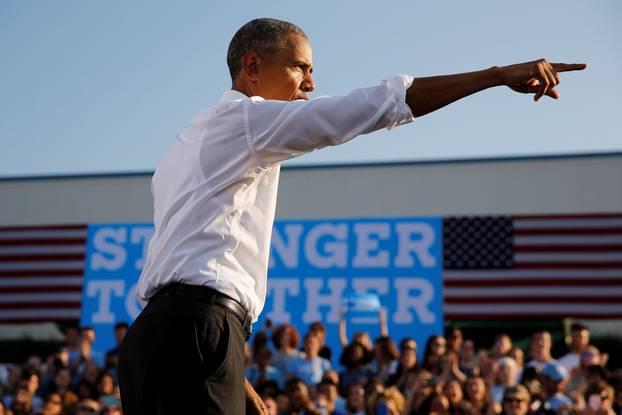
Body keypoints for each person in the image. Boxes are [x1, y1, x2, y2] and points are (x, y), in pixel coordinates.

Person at [118, 17, 586, 415]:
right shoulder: (247, 120)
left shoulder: (185, 145)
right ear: (253, 67)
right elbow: (372, 107)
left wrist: (236, 380)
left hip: (155, 340)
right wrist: (494, 75)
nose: (311, 83)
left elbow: (184, 276)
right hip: (196, 331)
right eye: (301, 66)